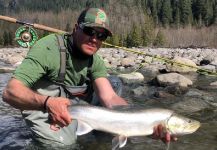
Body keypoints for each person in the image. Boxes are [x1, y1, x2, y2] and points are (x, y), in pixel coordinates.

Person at [2, 8, 176, 147]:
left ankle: (100, 129)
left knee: (114, 83)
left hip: (74, 105)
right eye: (89, 31)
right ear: (76, 29)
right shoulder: (48, 49)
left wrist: (141, 123)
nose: (94, 39)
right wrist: (47, 103)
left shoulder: (95, 61)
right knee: (62, 145)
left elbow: (110, 98)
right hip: (42, 105)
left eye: (101, 35)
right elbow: (10, 93)